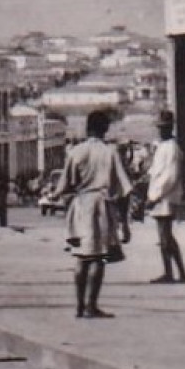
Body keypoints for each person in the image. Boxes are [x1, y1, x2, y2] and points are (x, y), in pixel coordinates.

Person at [55, 110, 131, 319]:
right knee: (98, 257)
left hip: (81, 205)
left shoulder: (75, 152)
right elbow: (125, 188)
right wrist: (125, 222)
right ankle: (91, 305)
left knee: (81, 257)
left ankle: (79, 305)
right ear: (105, 130)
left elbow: (63, 185)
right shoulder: (110, 152)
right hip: (102, 206)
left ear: (88, 128)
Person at [146, 109, 185, 284]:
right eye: (159, 127)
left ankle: (172, 273)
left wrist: (155, 197)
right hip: (160, 196)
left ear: (170, 127)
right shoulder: (162, 146)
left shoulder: (171, 148)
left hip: (165, 197)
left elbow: (170, 176)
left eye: (164, 127)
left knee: (165, 238)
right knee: (165, 238)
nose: (160, 130)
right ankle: (176, 272)